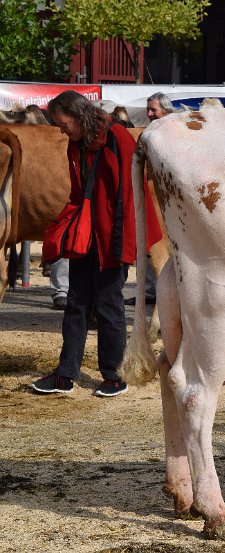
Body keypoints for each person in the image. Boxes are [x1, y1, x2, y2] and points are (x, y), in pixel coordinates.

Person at [31, 90, 162, 397]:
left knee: (108, 305)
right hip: (89, 235)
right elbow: (79, 192)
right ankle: (66, 374)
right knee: (76, 303)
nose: (62, 131)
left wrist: (122, 244)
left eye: (64, 124)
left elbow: (130, 197)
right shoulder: (75, 143)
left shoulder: (117, 138)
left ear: (78, 115)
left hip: (113, 236)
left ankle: (114, 376)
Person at [124, 92, 173, 307]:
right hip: (152, 197)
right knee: (151, 250)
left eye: (154, 109)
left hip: (169, 200)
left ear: (166, 111)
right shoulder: (148, 134)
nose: (150, 113)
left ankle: (165, 297)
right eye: (148, 109)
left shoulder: (174, 132)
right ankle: (153, 293)